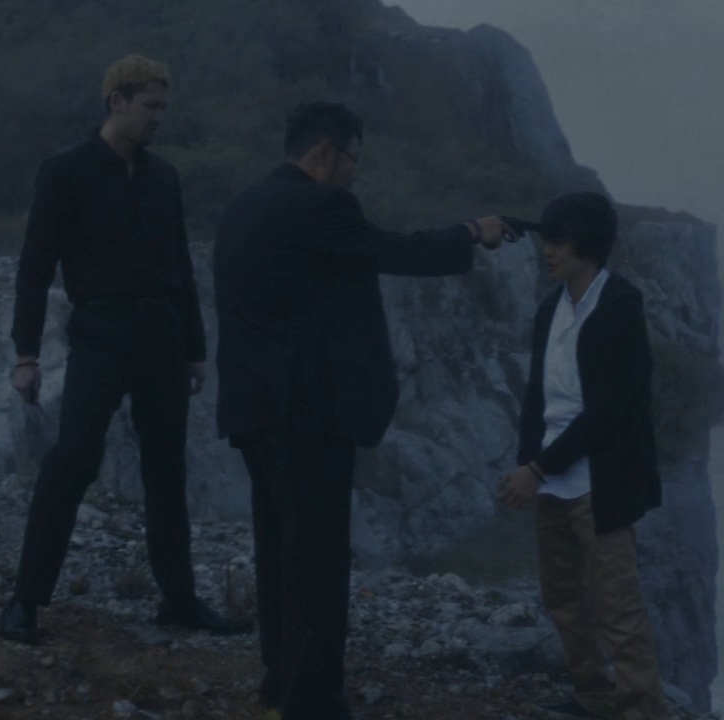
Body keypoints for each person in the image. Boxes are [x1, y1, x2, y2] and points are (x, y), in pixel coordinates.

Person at [213, 100, 517, 720]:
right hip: (308, 414)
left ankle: (280, 678)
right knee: (318, 560)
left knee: (278, 550)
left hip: (254, 406)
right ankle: (312, 701)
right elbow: (396, 251)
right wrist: (471, 232)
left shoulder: (243, 206)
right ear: (326, 151)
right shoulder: (323, 207)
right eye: (353, 158)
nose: (355, 172)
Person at [0, 54, 252, 644]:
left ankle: (179, 601)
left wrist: (194, 348)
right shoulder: (66, 171)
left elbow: (180, 265)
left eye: (164, 107)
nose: (159, 117)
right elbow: (35, 268)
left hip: (162, 336)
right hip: (101, 333)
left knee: (167, 469)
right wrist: (26, 354)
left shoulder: (164, 177)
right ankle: (25, 600)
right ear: (117, 101)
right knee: (72, 460)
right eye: (150, 106)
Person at [499, 192, 671, 720]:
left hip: (600, 482)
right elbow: (537, 397)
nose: (547, 251)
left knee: (617, 607)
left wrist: (536, 468)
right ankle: (592, 696)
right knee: (563, 600)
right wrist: (532, 464)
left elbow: (611, 409)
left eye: (558, 241)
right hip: (552, 478)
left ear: (587, 246)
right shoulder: (550, 310)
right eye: (546, 240)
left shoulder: (619, 306)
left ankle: (641, 709)